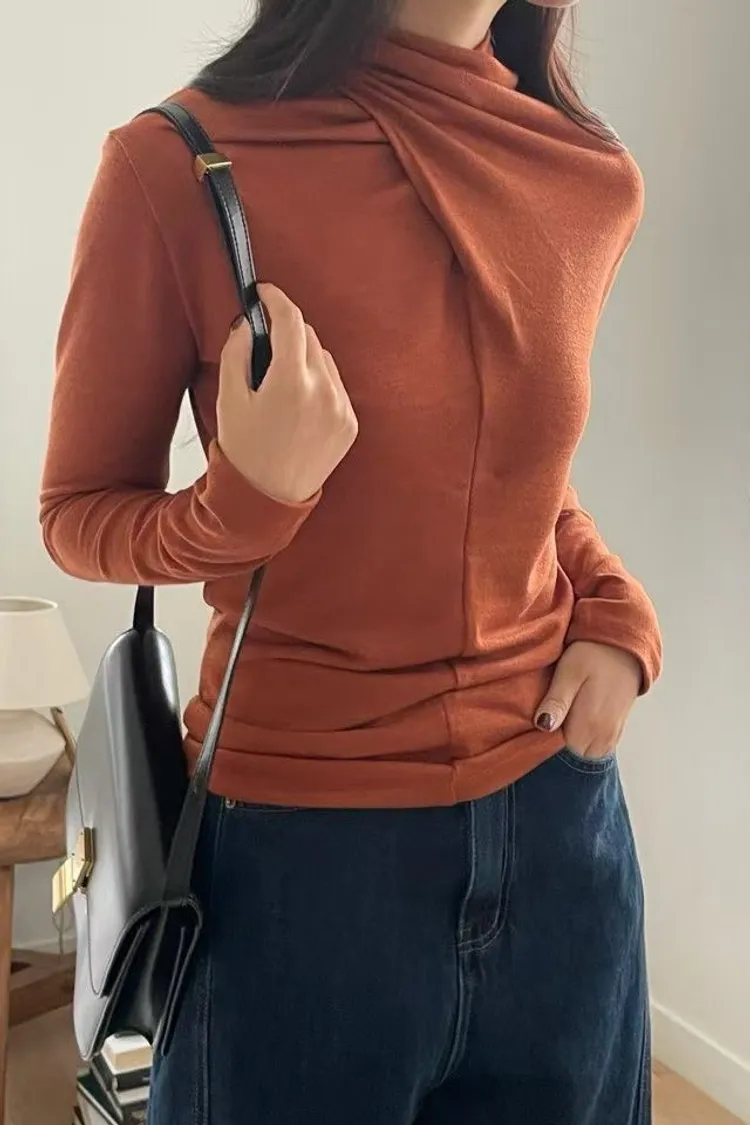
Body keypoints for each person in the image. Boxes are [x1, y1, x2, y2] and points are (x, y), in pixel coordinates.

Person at [41, 0, 662, 1121]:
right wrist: (242, 505)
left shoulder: (582, 171)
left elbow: (511, 469)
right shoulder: (177, 164)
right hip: (299, 858)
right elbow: (76, 514)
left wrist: (616, 609)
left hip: (560, 832)